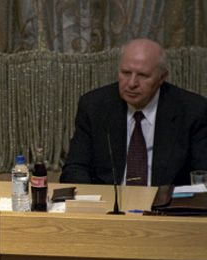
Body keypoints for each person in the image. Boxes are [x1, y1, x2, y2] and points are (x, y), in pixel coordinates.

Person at [60, 38, 207, 186]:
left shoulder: (192, 110)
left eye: (142, 75)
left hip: (166, 199)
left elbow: (202, 175)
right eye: (125, 73)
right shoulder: (94, 106)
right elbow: (74, 169)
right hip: (109, 198)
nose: (131, 83)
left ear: (162, 77)